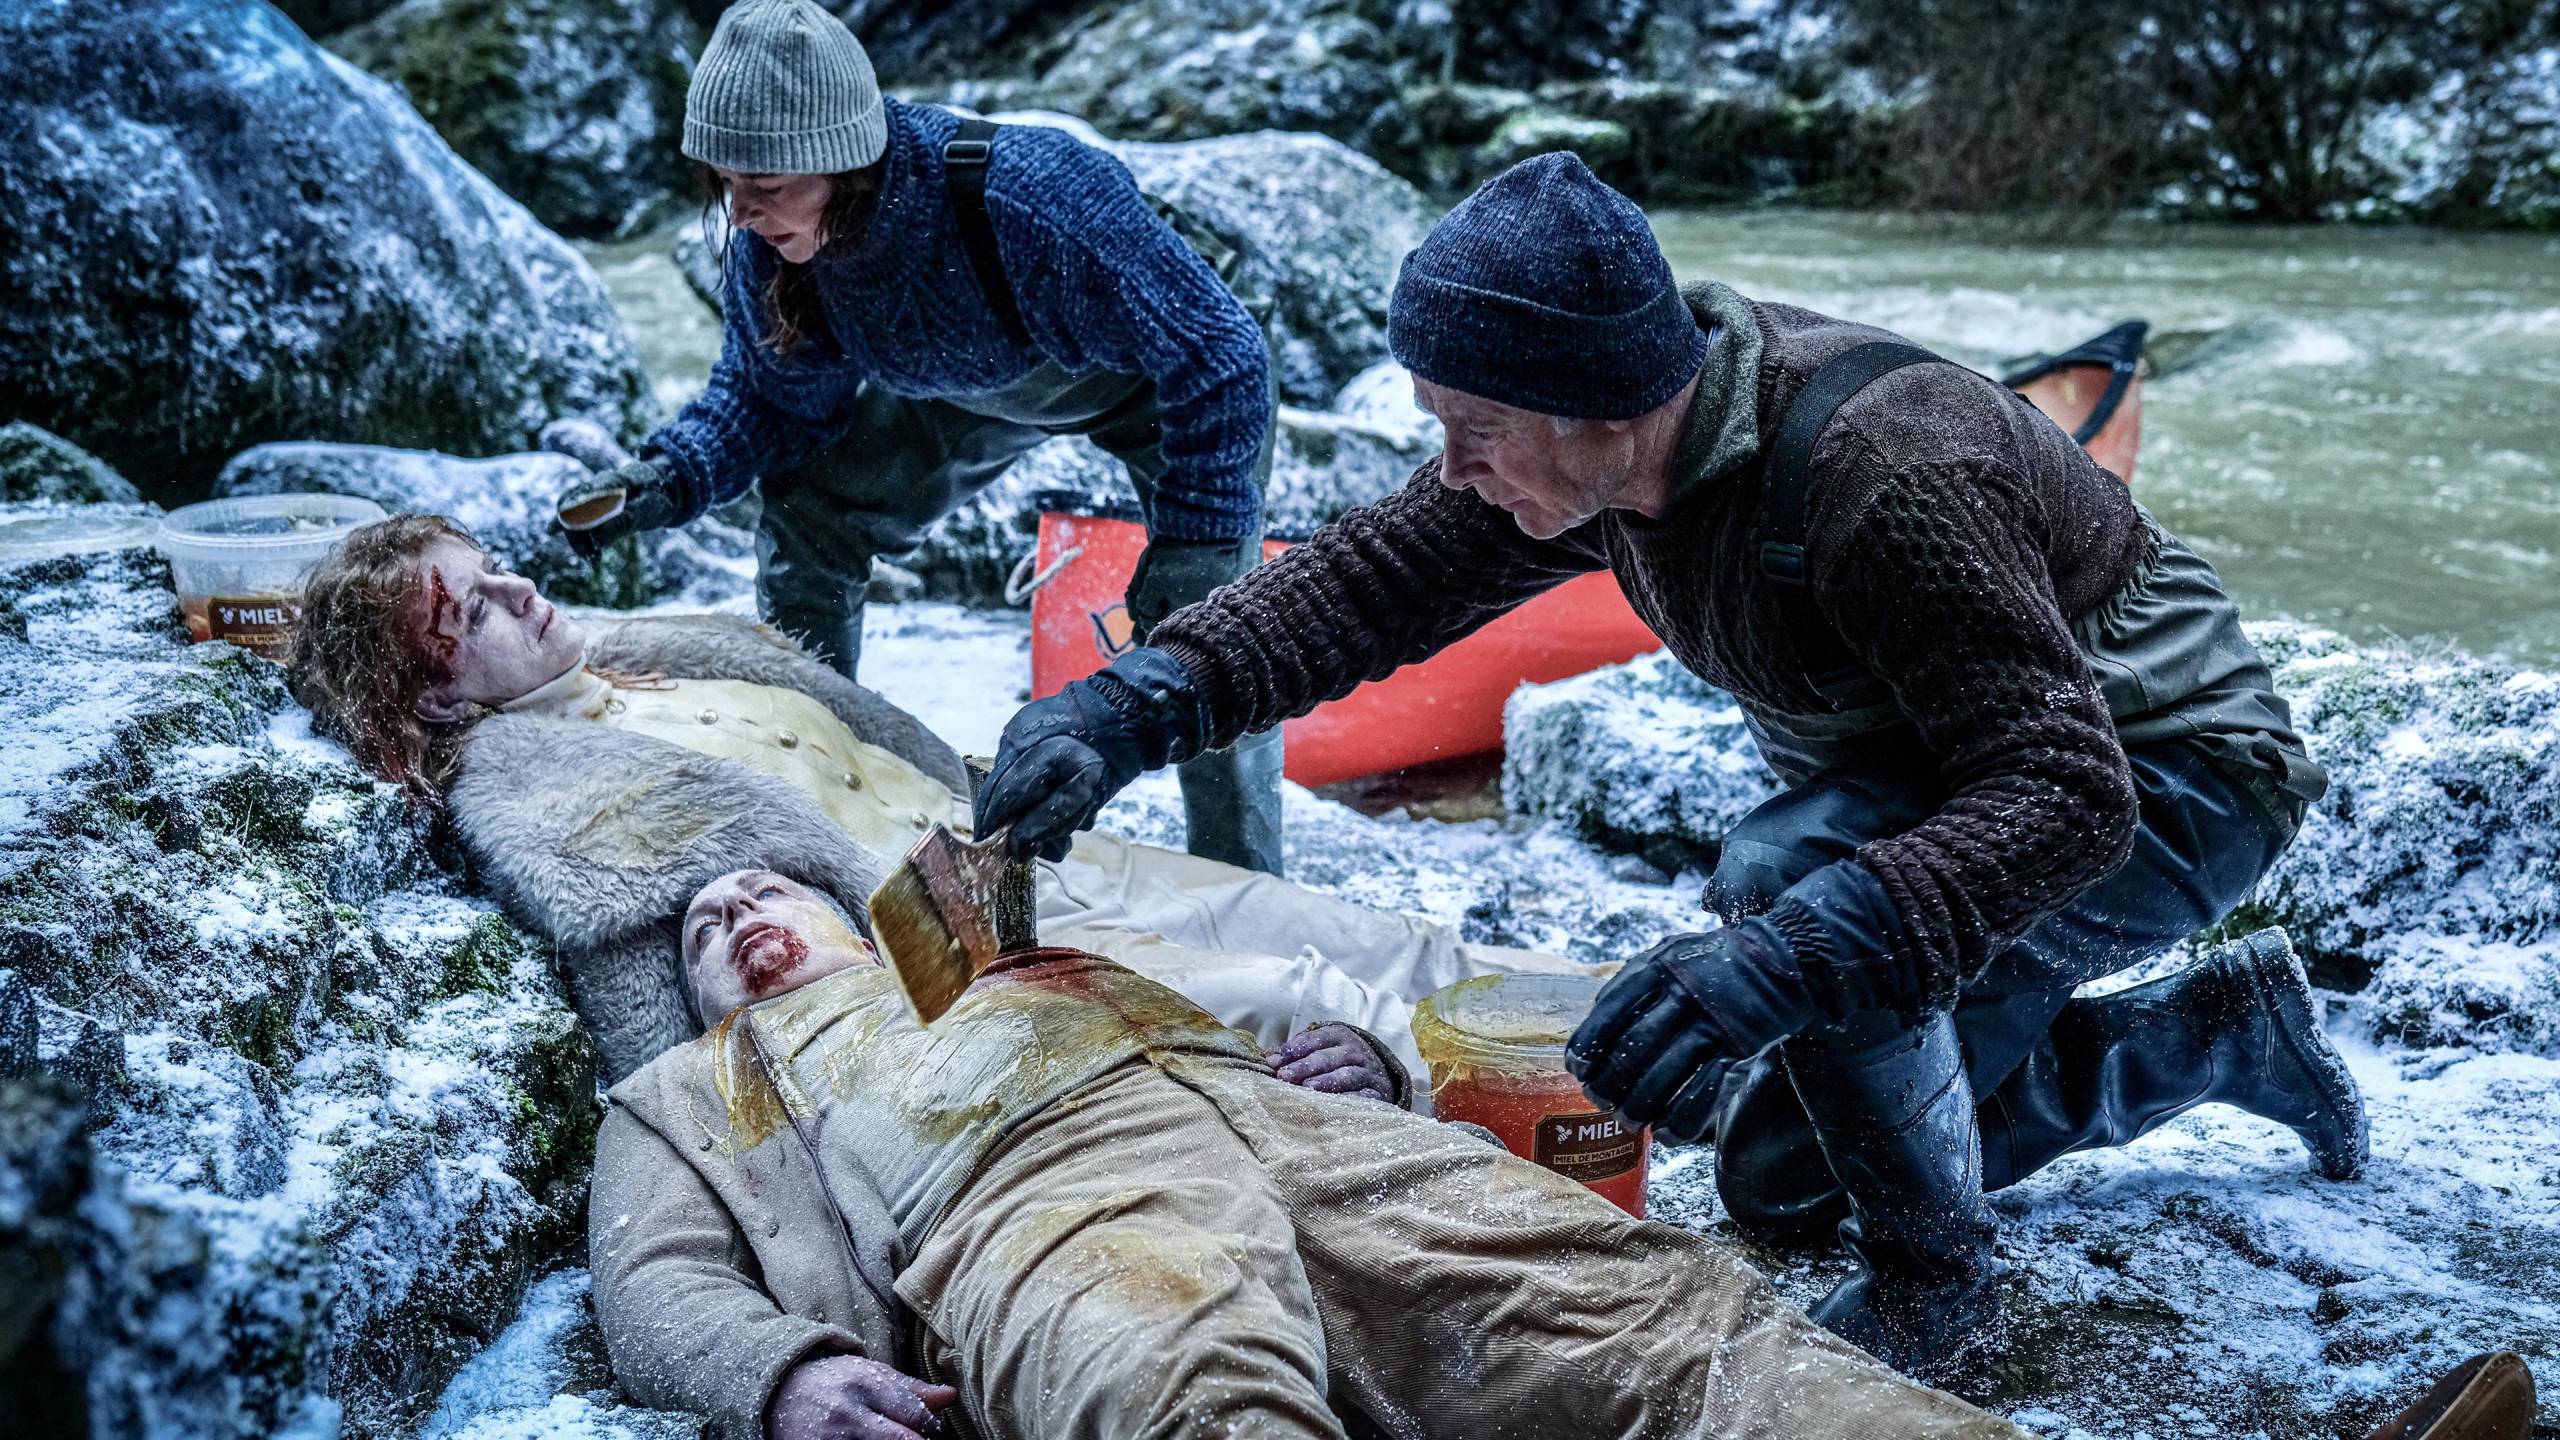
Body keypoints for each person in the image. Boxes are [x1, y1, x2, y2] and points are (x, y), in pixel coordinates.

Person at [973, 154, 2363, 1380]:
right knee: (1780, 1178)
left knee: (1788, 886)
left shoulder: (1888, 471)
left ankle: (1947, 1294)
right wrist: (1141, 702)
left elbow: (2066, 795)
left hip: (2168, 778)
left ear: (1589, 405)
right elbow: (1375, 580)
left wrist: (1787, 955)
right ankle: (2214, 1038)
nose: (1452, 470)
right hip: (1952, 782)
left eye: (1471, 430)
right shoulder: (1607, 454)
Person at [588, 866, 2536, 1440]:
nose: (743, 918)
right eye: (705, 931)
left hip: (1306, 1138)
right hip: (1035, 1211)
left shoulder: (998, 946)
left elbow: (1278, 992)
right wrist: (783, 1375)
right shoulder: (700, 1094)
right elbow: (657, 1286)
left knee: (1673, 1330)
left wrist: (1344, 1047)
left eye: (770, 892)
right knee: (1190, 1394)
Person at [284, 515, 1576, 1085]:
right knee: (1300, 1005)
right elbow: (642, 981)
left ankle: (1674, 1043)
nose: (518, 595)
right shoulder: (527, 784)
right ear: (439, 701)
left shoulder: (634, 648)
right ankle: (1507, 1099)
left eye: (500, 572)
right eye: (472, 614)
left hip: (1013, 847)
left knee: (1386, 940)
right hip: (939, 939)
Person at [545, 0, 1283, 875]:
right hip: (956, 386)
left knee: (1206, 634)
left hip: (1151, 385)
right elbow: (772, 406)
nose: (739, 212)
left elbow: (1224, 357)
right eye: (724, 182)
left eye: (768, 186)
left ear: (844, 165)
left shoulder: (1032, 197)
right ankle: (818, 779)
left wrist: (1198, 544)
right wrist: (668, 478)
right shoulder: (773, 245)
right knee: (812, 512)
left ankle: (1244, 884)